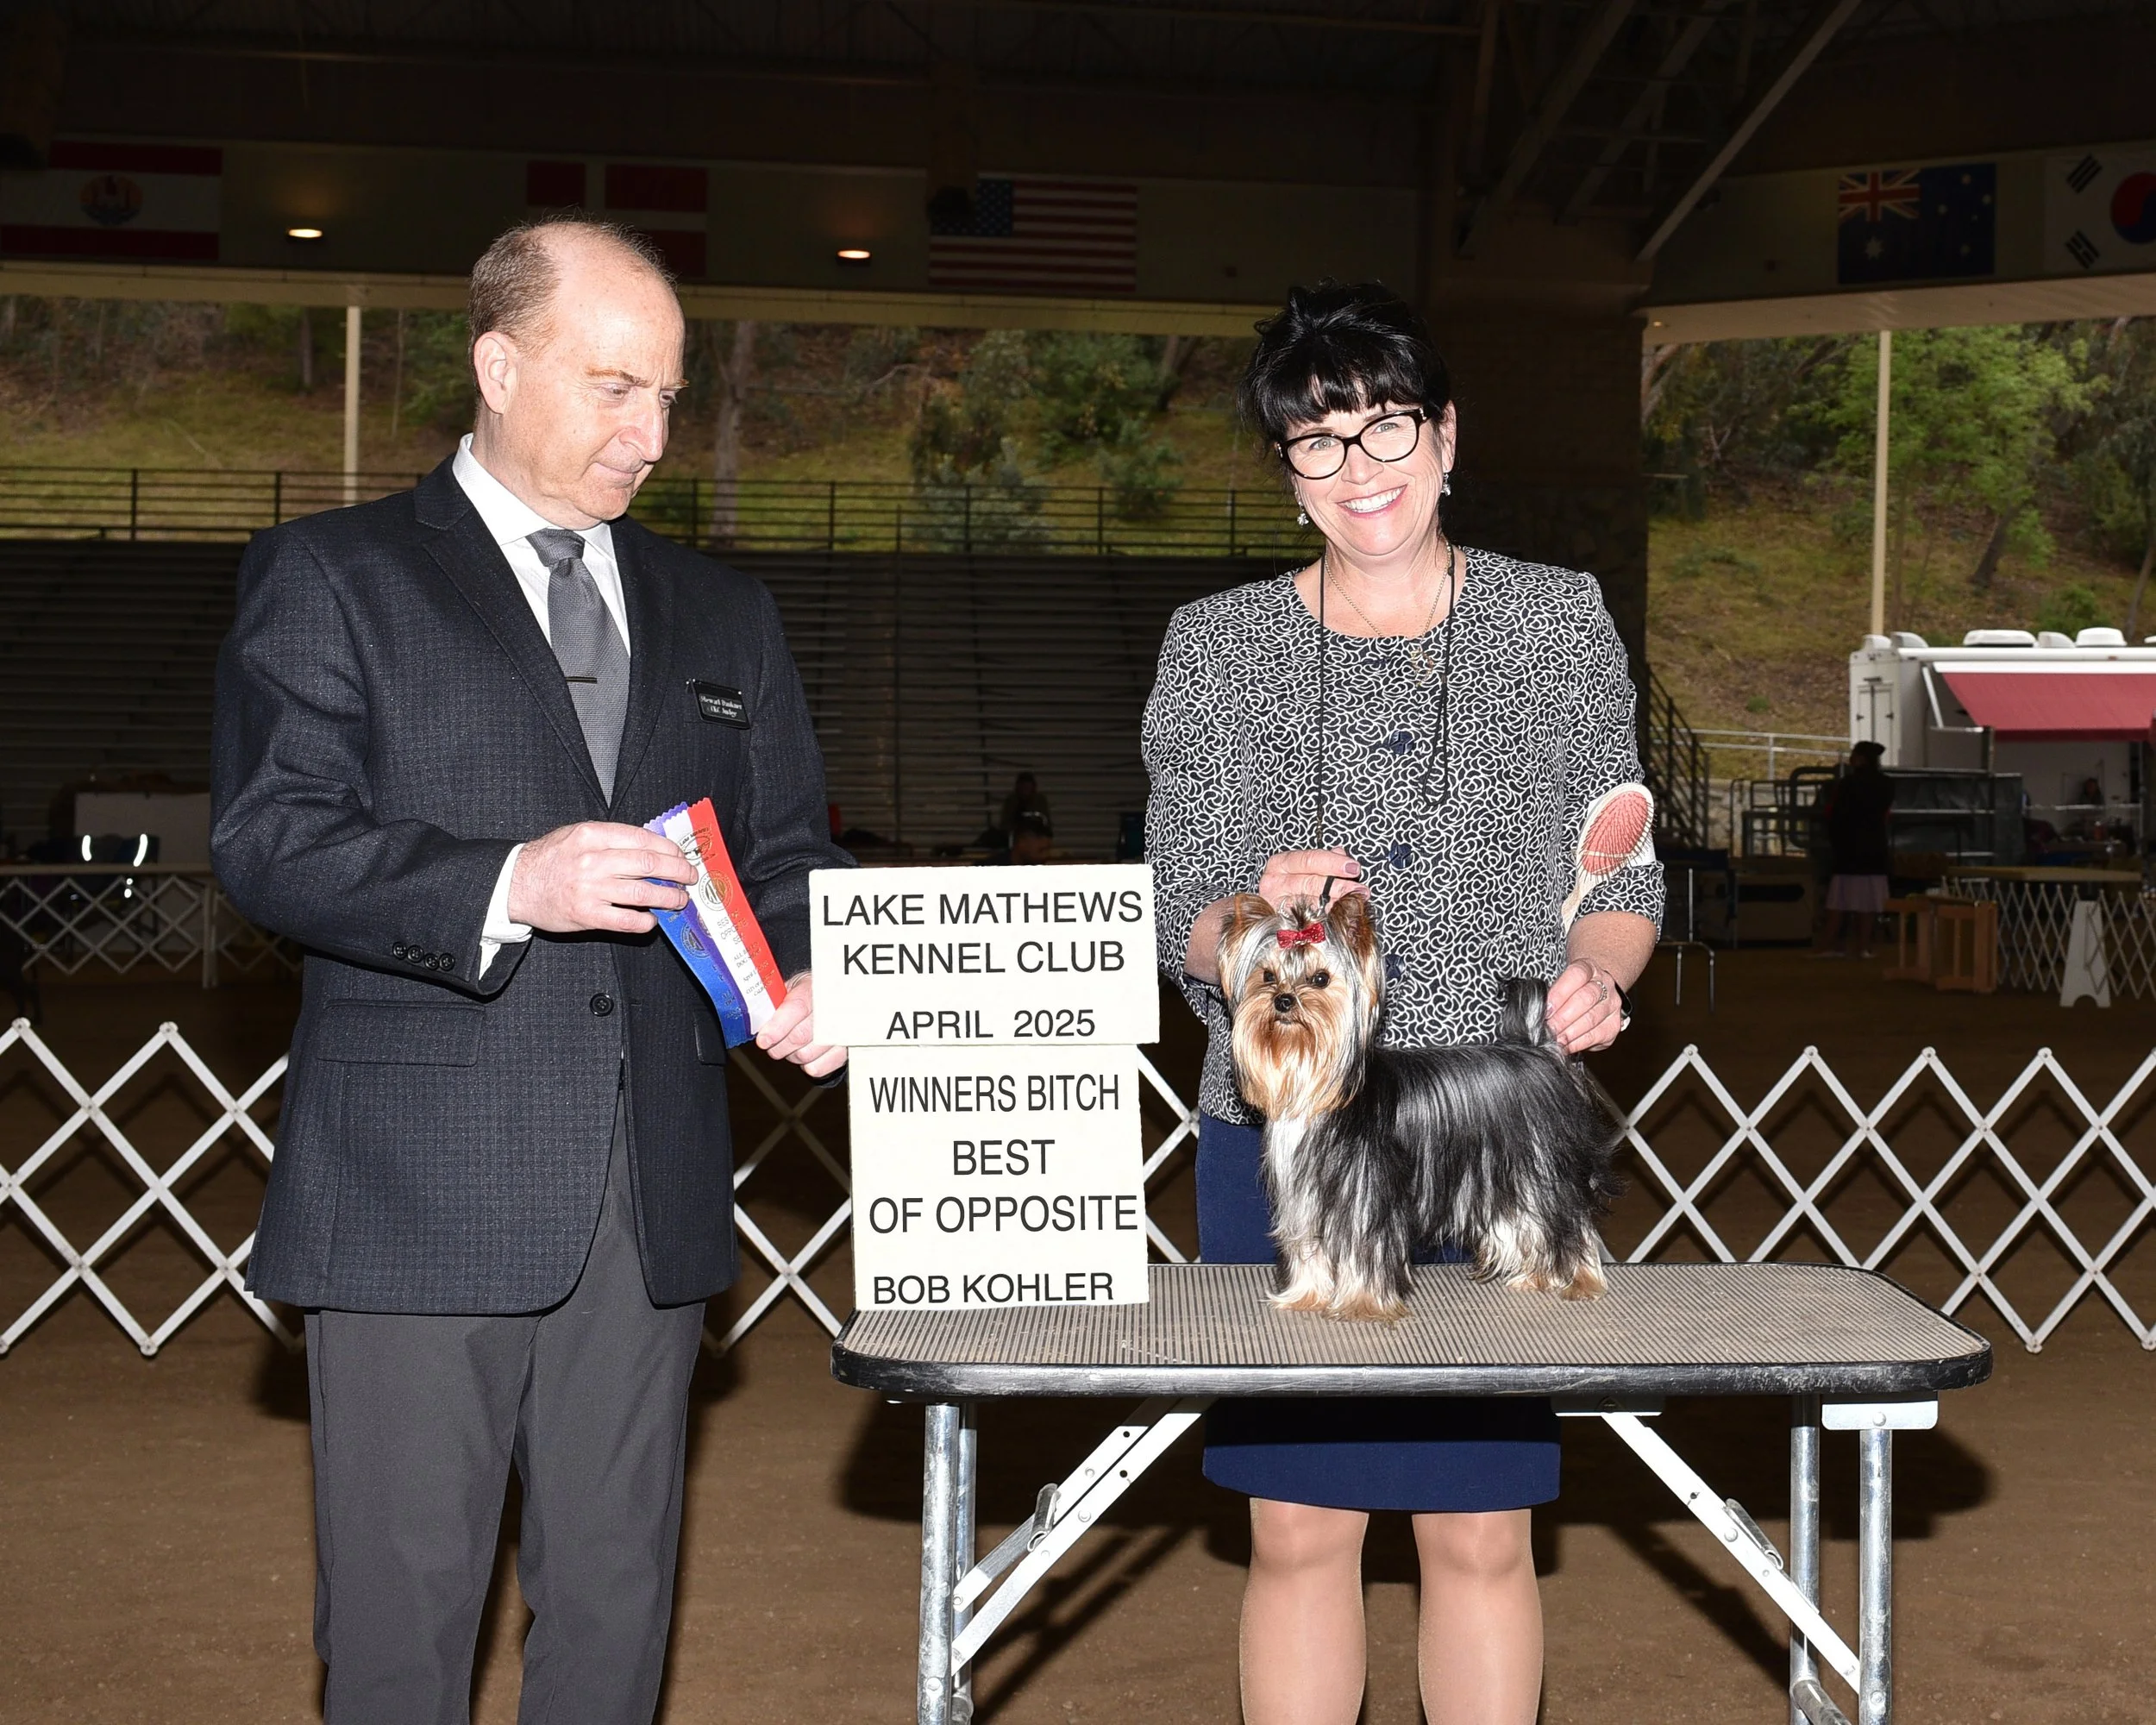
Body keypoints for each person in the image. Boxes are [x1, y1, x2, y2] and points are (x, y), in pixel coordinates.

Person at [211, 216, 850, 1725]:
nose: (651, 434)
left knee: (616, 1620)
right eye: (614, 387)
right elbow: (270, 839)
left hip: (654, 1194)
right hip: (412, 1194)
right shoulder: (333, 574)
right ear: (497, 366)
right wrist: (510, 882)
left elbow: (787, 857)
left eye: (669, 396)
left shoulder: (728, 612)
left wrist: (821, 967)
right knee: (400, 1629)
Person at [1143, 280, 1661, 1725]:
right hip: (1290, 1133)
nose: (1358, 467)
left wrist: (1599, 976)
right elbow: (1178, 904)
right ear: (1286, 467)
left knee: (1483, 1532)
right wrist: (1251, 916)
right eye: (1318, 441)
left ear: (1446, 437)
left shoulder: (1556, 622)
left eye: (1387, 428)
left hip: (1491, 1121)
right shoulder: (1217, 645)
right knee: (1298, 1530)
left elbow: (1618, 860)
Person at [1816, 741, 1896, 959]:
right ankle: (1863, 946)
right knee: (1868, 902)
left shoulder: (1847, 784)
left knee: (1838, 900)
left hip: (1848, 849)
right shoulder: (1887, 785)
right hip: (1874, 847)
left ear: (1861, 758)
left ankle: (1828, 944)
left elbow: (1835, 815)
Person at [1000, 770, 1052, 843]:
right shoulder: (1012, 801)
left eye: (1027, 788)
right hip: (1017, 838)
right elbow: (1006, 824)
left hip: (1036, 837)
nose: (1025, 791)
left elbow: (1046, 822)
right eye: (1023, 788)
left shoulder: (1040, 800)